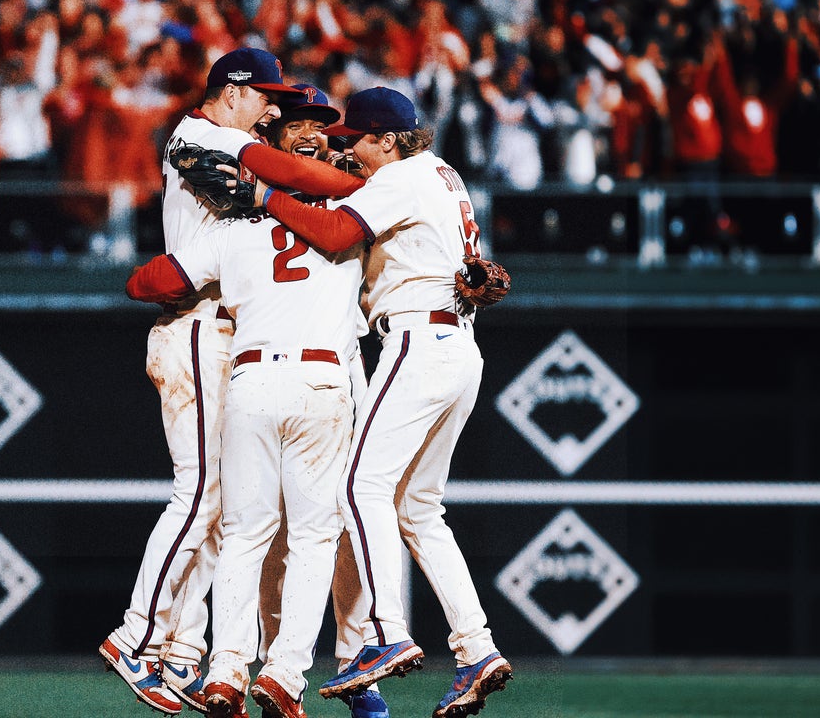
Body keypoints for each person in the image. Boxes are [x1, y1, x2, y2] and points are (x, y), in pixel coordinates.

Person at [250, 86, 513, 718]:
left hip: (416, 342)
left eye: (357, 141)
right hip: (459, 345)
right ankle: (476, 646)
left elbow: (337, 231)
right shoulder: (444, 175)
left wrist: (266, 196)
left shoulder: (401, 176)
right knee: (420, 511)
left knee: (358, 491)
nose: (350, 153)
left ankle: (386, 634)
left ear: (387, 139)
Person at [125, 83, 366, 718]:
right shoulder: (353, 224)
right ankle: (284, 672)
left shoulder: (235, 227)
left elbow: (145, 280)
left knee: (242, 532)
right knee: (314, 535)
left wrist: (198, 277)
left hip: (250, 381)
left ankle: (223, 669)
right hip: (320, 384)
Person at [99, 46, 298, 717]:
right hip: (195, 325)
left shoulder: (226, 138)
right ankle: (136, 637)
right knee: (201, 493)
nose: (270, 109)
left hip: (217, 331)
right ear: (233, 91)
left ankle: (183, 648)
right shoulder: (199, 135)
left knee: (220, 504)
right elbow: (263, 180)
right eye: (264, 96)